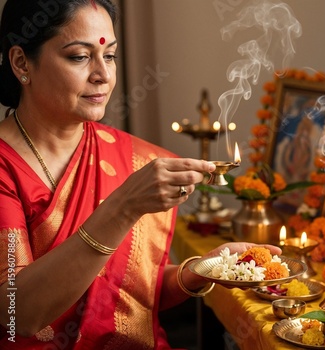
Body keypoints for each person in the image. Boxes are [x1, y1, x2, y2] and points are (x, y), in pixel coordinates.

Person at [0, 1, 281, 348]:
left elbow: (127, 294)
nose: (102, 74)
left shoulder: (136, 158)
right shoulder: (5, 168)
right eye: (79, 56)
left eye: (111, 55)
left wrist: (198, 271)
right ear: (21, 61)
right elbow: (18, 314)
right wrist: (124, 207)